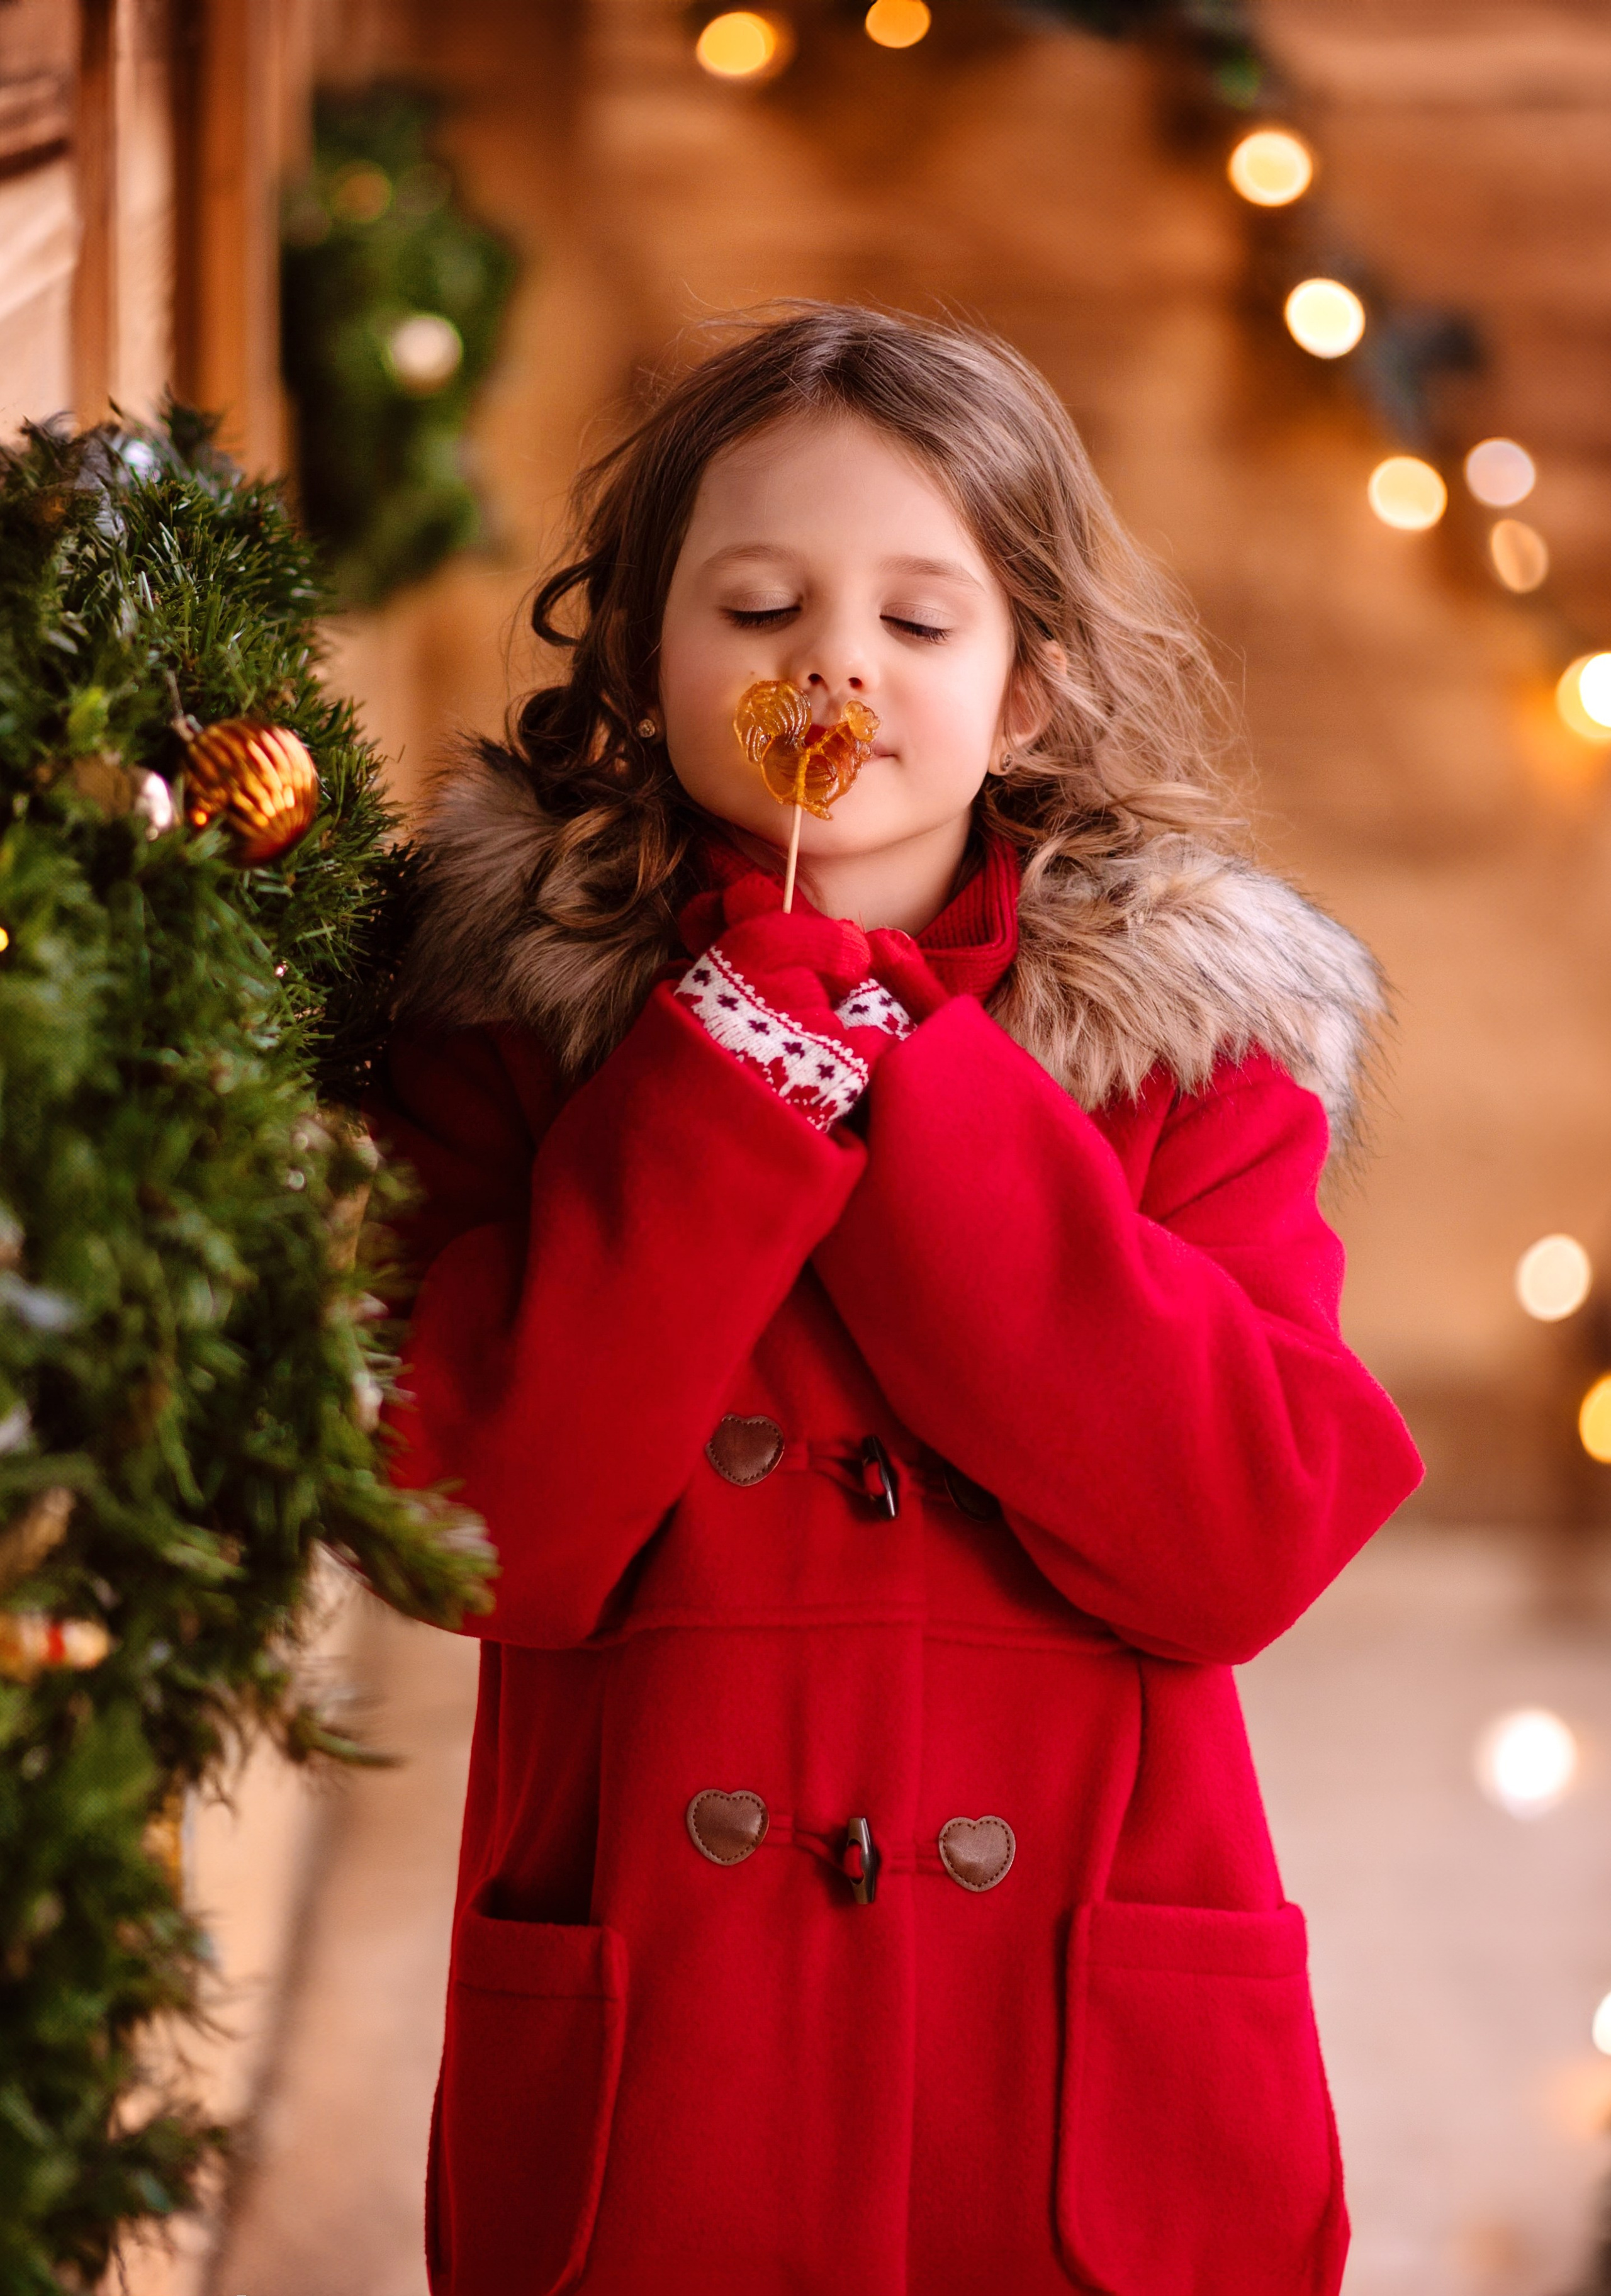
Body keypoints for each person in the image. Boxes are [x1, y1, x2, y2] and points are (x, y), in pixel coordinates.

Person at [375, 304, 1422, 2296]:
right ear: (643, 663)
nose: (831, 665)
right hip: (669, 2070)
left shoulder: (1194, 1058)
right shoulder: (506, 1036)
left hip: (1067, 2087)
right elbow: (483, 1530)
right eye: (759, 603)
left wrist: (905, 1068)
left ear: (1028, 695)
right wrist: (728, 1067)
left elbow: (1238, 1541)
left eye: (918, 625)